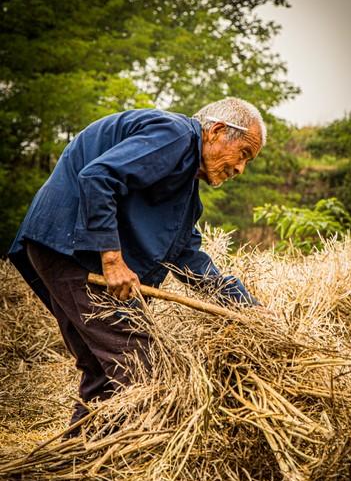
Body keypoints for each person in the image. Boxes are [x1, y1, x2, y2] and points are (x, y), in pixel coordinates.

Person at [9, 97, 266, 434]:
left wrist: (250, 310)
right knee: (140, 360)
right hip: (69, 248)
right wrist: (112, 259)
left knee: (103, 368)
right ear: (217, 131)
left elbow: (189, 258)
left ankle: (75, 460)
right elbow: (98, 177)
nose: (239, 169)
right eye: (243, 154)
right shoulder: (174, 136)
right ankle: (132, 458)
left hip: (63, 250)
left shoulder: (186, 195)